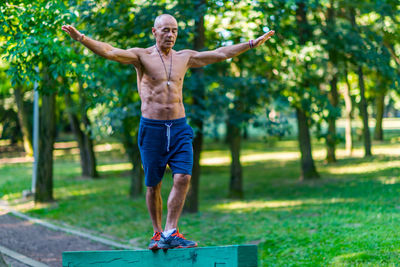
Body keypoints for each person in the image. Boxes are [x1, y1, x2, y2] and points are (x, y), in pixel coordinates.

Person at [62, 14, 274, 250]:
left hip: (180, 127)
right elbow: (110, 51)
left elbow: (221, 53)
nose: (170, 35)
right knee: (153, 186)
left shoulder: (185, 57)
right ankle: (157, 233)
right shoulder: (141, 56)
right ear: (154, 31)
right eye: (165, 30)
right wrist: (81, 38)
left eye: (174, 30)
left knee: (183, 176)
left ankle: (171, 231)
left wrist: (252, 43)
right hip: (152, 129)